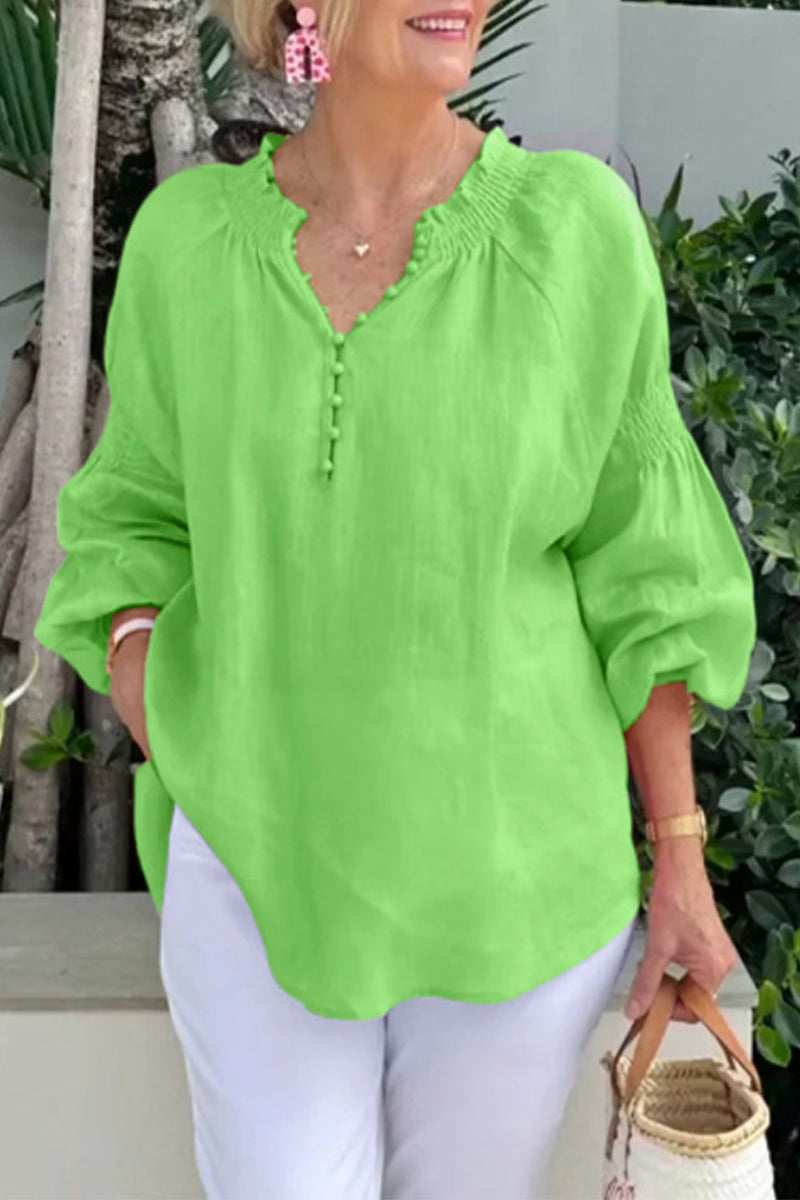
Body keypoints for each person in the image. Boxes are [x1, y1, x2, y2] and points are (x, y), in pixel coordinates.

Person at [33, 1, 758, 1196]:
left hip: (516, 880)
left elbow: (646, 568)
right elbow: (129, 521)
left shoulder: (570, 231)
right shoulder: (188, 244)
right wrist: (167, 701)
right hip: (256, 865)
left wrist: (678, 855)